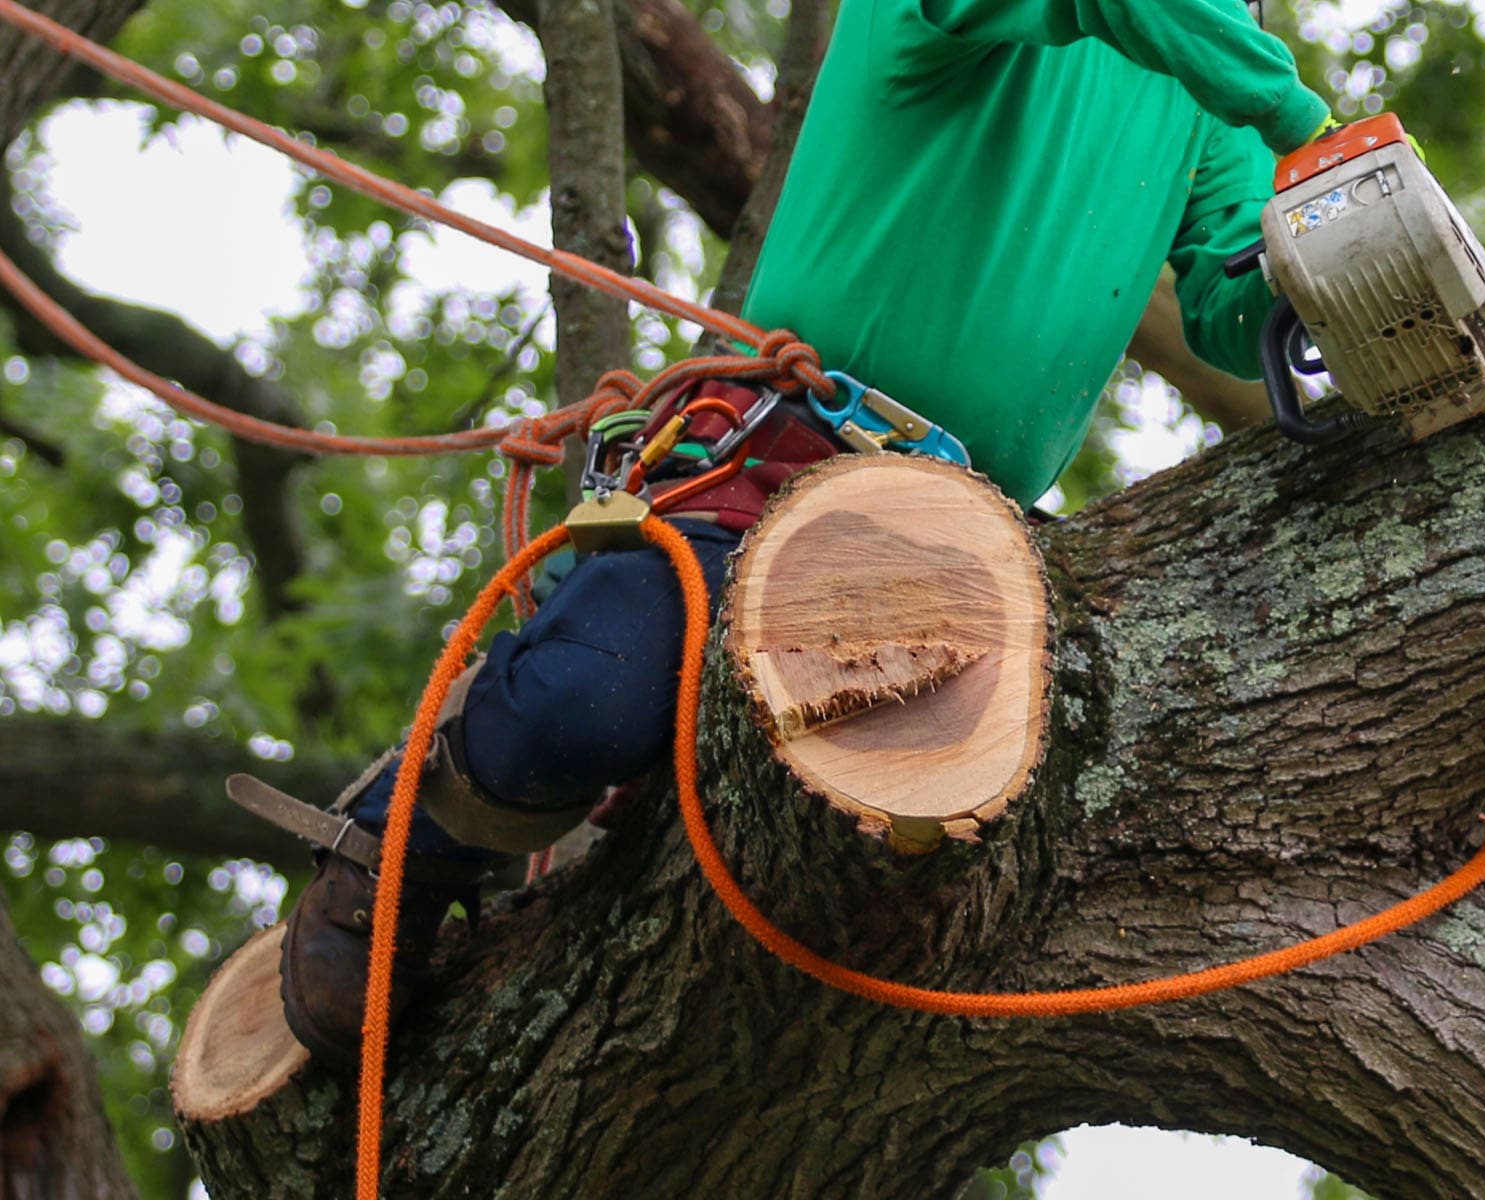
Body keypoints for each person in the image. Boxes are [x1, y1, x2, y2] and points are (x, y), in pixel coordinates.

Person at [237, 0, 1332, 1066]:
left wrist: (1330, 254)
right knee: (585, 704)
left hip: (969, 538)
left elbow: (1231, 302)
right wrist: (1313, 132)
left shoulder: (1216, 75)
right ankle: (401, 844)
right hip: (781, 463)